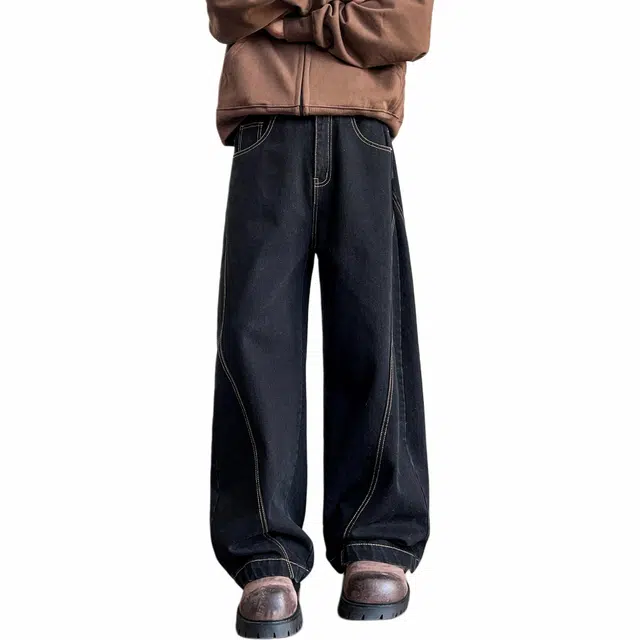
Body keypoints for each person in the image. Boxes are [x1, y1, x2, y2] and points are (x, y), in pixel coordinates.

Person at [205, 0, 434, 636]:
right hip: (265, 127)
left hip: (362, 127)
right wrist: (336, 16)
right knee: (254, 340)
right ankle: (266, 555)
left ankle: (377, 539)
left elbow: (406, 27)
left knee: (374, 333)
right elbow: (227, 9)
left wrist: (290, 20)